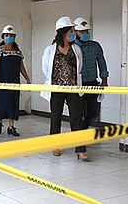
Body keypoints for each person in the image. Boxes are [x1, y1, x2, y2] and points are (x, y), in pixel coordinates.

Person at [40, 16, 88, 160]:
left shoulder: (76, 49)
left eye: (74, 31)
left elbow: (79, 67)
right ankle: (55, 144)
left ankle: (80, 149)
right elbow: (46, 68)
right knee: (56, 117)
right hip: (56, 88)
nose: (73, 34)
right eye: (71, 31)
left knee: (76, 118)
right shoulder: (50, 50)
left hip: (73, 88)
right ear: (62, 33)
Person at [0, 25, 31, 137]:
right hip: (2, 81)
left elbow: (21, 67)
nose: (9, 37)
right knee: (2, 103)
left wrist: (27, 78)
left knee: (13, 103)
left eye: (11, 35)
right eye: (7, 35)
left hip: (15, 82)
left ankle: (11, 126)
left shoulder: (17, 52)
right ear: (3, 37)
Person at [74, 17, 109, 127]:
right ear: (75, 32)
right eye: (82, 31)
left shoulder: (95, 46)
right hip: (77, 84)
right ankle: (80, 138)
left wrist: (104, 80)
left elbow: (102, 63)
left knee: (93, 112)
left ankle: (83, 128)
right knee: (78, 113)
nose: (85, 33)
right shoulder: (72, 47)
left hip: (92, 83)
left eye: (86, 31)